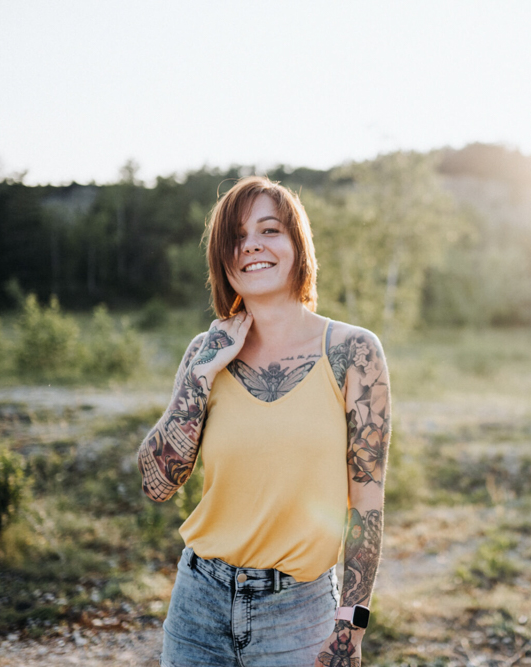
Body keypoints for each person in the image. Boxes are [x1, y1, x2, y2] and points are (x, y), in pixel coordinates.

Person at [137, 175, 390, 667]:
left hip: (299, 612)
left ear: (297, 244)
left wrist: (351, 625)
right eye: (236, 236)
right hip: (198, 604)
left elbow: (367, 498)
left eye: (269, 230)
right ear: (222, 258)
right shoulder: (204, 352)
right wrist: (200, 377)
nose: (251, 244)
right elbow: (157, 485)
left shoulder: (353, 352)